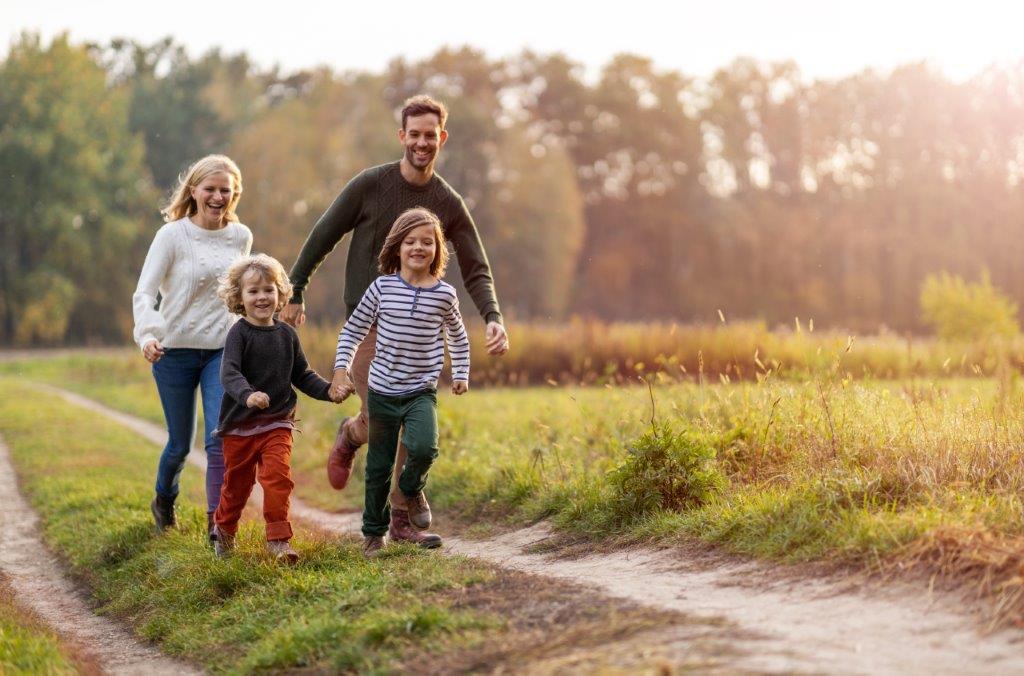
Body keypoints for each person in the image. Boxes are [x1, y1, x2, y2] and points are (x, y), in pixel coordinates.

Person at [281, 95, 508, 545]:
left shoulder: (447, 201)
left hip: (421, 330)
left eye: (431, 136)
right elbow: (324, 233)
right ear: (402, 136)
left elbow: (475, 265)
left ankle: (401, 518)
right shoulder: (370, 185)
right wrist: (296, 288)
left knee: (412, 418)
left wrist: (492, 316)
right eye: (415, 135)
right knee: (381, 416)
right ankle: (351, 435)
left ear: (441, 139)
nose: (422, 143)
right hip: (369, 323)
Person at [331, 208, 469, 557]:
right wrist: (340, 368)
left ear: (438, 249)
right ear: (397, 247)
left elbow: (458, 336)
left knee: (425, 447)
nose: (418, 248)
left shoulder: (444, 294)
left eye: (427, 242)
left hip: (421, 390)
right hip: (381, 391)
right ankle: (374, 533)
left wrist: (461, 372)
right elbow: (353, 330)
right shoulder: (382, 288)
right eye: (410, 241)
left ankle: (410, 490)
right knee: (378, 465)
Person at [132, 154, 253, 541]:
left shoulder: (240, 236)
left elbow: (241, 293)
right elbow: (145, 291)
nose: (218, 197)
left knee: (219, 438)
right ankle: (164, 499)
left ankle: (217, 526)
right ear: (194, 190)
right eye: (210, 189)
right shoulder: (172, 235)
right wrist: (148, 335)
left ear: (234, 195)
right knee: (179, 446)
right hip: (173, 351)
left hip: (222, 349)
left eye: (225, 191)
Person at [211, 254, 347, 563]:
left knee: (278, 477)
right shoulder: (239, 334)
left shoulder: (287, 335)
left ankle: (278, 541)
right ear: (239, 298)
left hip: (277, 423)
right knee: (238, 486)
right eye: (253, 291)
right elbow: (229, 374)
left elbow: (302, 375)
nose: (262, 297)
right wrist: (248, 396)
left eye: (269, 289)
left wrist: (329, 390)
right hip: (240, 426)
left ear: (280, 293)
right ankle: (224, 529)